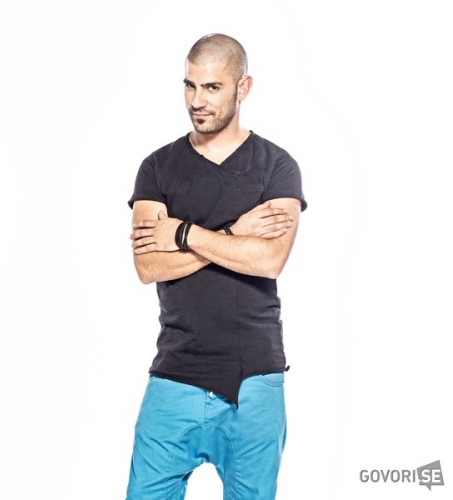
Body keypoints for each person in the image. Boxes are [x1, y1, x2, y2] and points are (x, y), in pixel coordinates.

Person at [126, 33, 307, 500]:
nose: (196, 101)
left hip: (255, 380)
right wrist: (235, 233)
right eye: (189, 85)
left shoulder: (277, 167)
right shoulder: (157, 168)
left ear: (243, 87)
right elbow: (148, 265)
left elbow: (268, 260)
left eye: (211, 87)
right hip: (174, 373)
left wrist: (183, 234)